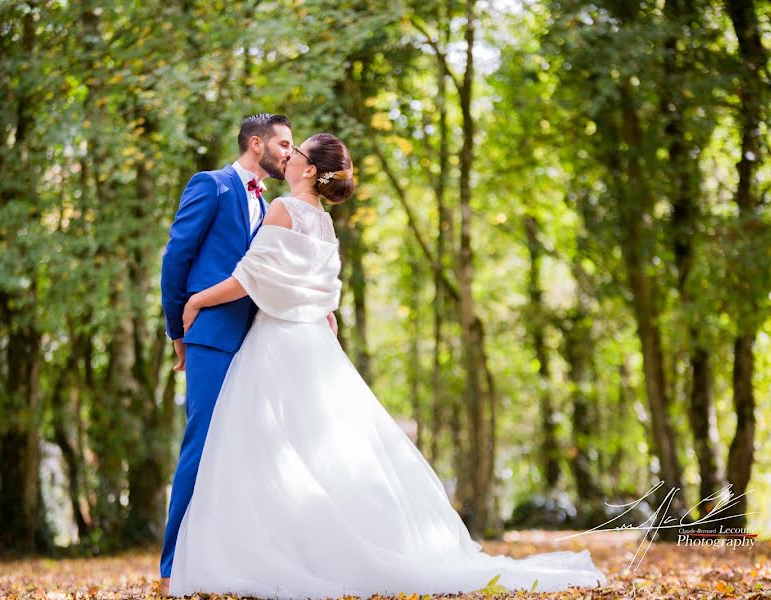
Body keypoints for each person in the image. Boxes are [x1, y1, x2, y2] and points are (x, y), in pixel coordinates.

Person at [168, 133, 606, 598]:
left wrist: (196, 300)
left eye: (295, 153)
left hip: (277, 343)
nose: (288, 157)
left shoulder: (285, 209)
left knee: (268, 449)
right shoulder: (324, 224)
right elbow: (322, 293)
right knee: (318, 453)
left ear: (310, 169)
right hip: (312, 344)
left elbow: (247, 278)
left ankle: (279, 551)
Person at [158, 113, 300, 596]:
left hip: (259, 341)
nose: (289, 152)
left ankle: (233, 561)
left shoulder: (275, 206)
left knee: (249, 454)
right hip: (211, 338)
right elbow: (177, 256)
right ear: (255, 144)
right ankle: (172, 568)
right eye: (283, 143)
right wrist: (177, 329)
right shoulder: (212, 186)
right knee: (201, 447)